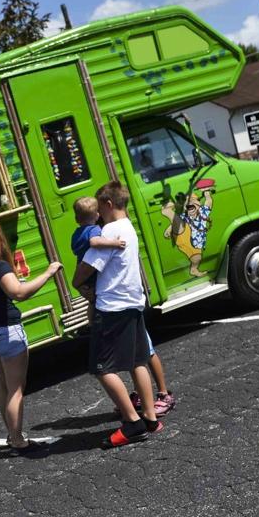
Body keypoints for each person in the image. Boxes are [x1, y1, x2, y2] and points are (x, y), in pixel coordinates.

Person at [71, 182, 162, 447]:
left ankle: (132, 423)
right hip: (133, 302)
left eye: (100, 208)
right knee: (138, 361)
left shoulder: (109, 231)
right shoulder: (128, 227)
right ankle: (150, 417)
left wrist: (77, 282)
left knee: (101, 367)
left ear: (109, 204)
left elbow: (89, 265)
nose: (98, 215)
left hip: (112, 306)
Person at [0, 217, 63, 455]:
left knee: (4, 386)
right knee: (16, 388)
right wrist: (48, 272)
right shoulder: (0, 267)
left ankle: (12, 435)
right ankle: (18, 440)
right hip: (6, 332)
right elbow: (19, 293)